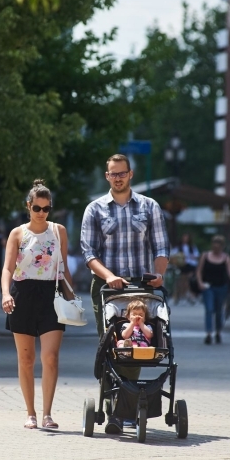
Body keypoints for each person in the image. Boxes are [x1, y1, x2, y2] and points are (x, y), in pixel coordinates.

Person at [80, 153, 169, 435]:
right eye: (112, 174)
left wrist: (158, 274)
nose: (117, 178)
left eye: (122, 173)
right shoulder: (95, 209)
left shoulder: (148, 206)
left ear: (131, 174)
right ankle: (115, 410)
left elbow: (161, 247)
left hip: (141, 288)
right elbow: (89, 253)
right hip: (107, 288)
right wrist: (109, 276)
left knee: (138, 346)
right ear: (107, 176)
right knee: (112, 346)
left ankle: (124, 409)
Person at [0, 180, 70, 430]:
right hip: (23, 294)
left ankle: (47, 414)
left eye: (46, 208)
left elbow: (63, 268)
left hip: (51, 294)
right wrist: (6, 294)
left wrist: (72, 297)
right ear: (28, 206)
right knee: (26, 359)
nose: (41, 213)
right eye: (37, 208)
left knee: (50, 358)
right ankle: (30, 413)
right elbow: (8, 268)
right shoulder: (18, 233)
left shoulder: (59, 231)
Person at [196, 235, 230, 345]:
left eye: (218, 246)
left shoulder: (226, 258)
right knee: (209, 309)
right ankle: (209, 333)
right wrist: (200, 282)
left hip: (221, 287)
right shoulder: (205, 256)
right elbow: (199, 271)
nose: (216, 248)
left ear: (222, 247)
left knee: (219, 311)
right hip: (208, 287)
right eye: (214, 246)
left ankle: (218, 332)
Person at [176, 233, 200, 301]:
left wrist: (192, 257)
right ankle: (183, 293)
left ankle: (189, 292)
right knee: (183, 279)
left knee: (189, 279)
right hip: (183, 265)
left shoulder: (192, 247)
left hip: (190, 264)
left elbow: (196, 255)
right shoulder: (179, 247)